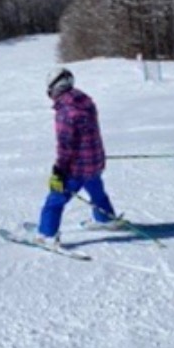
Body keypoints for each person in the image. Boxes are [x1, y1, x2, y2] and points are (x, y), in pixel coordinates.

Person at [36, 68, 121, 246]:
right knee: (96, 190)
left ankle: (47, 234)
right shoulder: (85, 101)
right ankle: (106, 218)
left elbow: (66, 145)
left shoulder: (65, 111)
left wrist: (59, 170)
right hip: (95, 161)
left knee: (55, 199)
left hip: (77, 167)